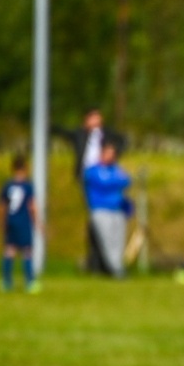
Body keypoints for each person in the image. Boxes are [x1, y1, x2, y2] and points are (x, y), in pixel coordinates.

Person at [57, 108, 125, 274]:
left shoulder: (108, 136)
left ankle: (106, 264)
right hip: (89, 182)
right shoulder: (81, 136)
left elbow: (122, 143)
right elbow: (63, 132)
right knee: (96, 226)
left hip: (108, 195)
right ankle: (96, 262)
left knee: (108, 230)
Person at [81, 142, 131, 279]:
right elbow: (104, 183)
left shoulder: (115, 169)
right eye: (108, 153)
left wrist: (113, 182)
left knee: (118, 240)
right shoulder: (93, 170)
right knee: (107, 241)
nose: (111, 156)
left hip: (117, 209)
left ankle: (118, 266)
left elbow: (126, 180)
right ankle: (115, 269)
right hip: (101, 210)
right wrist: (115, 183)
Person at [0, 154, 39, 294]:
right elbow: (32, 206)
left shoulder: (8, 185)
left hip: (10, 221)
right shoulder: (27, 186)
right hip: (23, 222)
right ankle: (30, 282)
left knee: (9, 250)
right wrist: (37, 222)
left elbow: (2, 207)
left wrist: (2, 222)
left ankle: (6, 282)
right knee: (27, 251)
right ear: (25, 168)